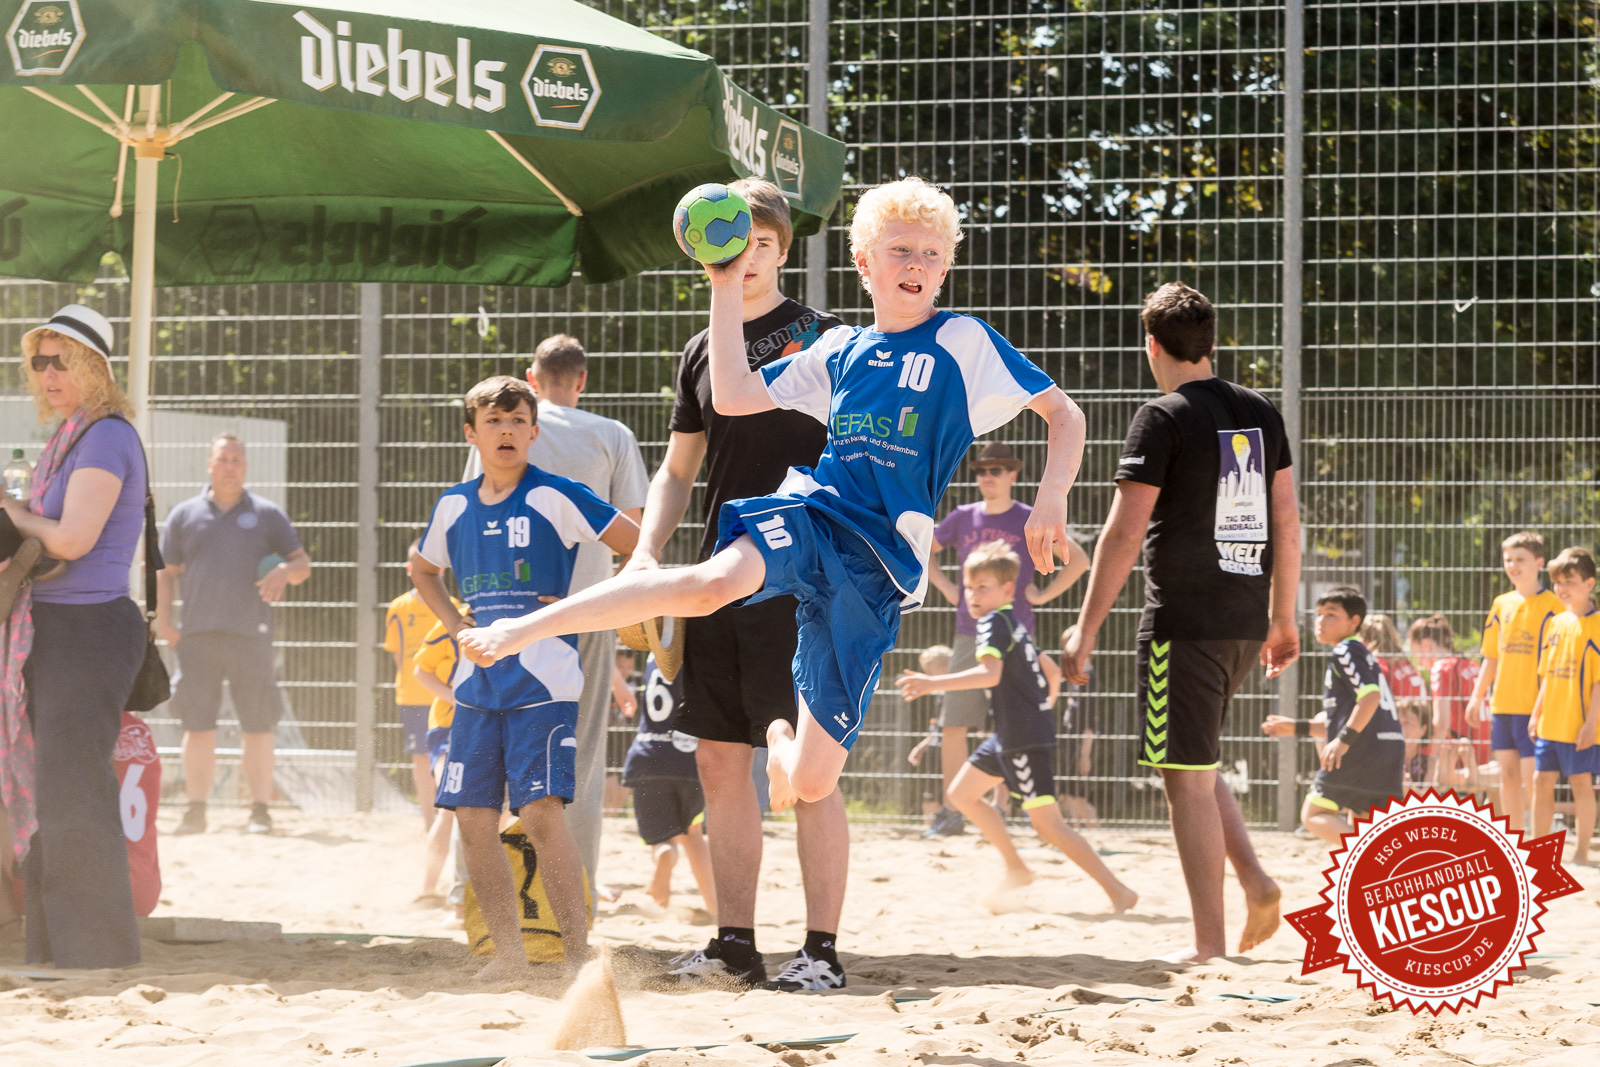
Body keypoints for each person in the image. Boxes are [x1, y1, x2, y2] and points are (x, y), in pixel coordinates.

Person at [456, 176, 1084, 987]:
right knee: (710, 578)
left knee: (813, 781)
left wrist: (1055, 502)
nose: (917, 263)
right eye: (900, 249)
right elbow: (736, 392)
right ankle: (521, 630)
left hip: (877, 566)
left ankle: (799, 826)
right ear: (863, 260)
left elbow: (1064, 415)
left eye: (932, 253)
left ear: (945, 266)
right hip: (812, 512)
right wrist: (722, 288)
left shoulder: (961, 340)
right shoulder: (842, 349)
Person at [563, 178, 847, 989]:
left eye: (761, 242)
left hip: (804, 576)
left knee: (809, 770)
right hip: (718, 575)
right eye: (731, 242)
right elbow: (679, 470)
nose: (745, 256)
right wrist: (648, 551)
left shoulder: (828, 340)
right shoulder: (700, 349)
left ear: (783, 249)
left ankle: (820, 950)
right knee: (722, 763)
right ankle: (734, 942)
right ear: (704, 248)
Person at [1061, 281, 1297, 962]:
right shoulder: (1259, 411)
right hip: (1245, 620)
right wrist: (1283, 617)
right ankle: (1254, 880)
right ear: (1211, 343)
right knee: (1197, 761)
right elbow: (1286, 517)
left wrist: (1086, 625)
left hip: (1182, 623)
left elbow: (1123, 532)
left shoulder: (1161, 415)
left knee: (1183, 777)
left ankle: (1209, 948)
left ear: (1152, 344)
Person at [411, 375, 640, 980]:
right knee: (473, 817)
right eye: (493, 421)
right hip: (476, 684)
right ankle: (508, 956)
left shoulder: (556, 494)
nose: (506, 430)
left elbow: (637, 548)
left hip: (545, 680)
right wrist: (453, 618)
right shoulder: (453, 504)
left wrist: (585, 606)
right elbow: (421, 569)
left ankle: (576, 956)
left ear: (534, 431)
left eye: (517, 421)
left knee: (540, 813)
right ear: (472, 434)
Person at [463, 333, 648, 895]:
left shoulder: (499, 426)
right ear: (582, 381)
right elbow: (635, 541)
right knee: (579, 759)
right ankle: (576, 886)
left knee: (482, 751)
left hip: (501, 615)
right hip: (580, 613)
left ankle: (465, 888)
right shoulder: (611, 434)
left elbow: (478, 514)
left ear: (533, 381)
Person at [3, 305, 148, 967]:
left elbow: (71, 538)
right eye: (40, 359)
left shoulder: (106, 437)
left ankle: (96, 952)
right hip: (55, 628)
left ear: (96, 367)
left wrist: (10, 510)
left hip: (89, 630)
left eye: (64, 359)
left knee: (74, 788)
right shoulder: (70, 437)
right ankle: (59, 947)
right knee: (51, 787)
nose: (49, 372)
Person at [897, 542, 1136, 911]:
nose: (973, 595)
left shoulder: (994, 622)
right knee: (961, 795)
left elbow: (990, 674)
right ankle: (1016, 867)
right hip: (1010, 734)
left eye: (983, 587)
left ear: (1008, 590)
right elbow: (1052, 671)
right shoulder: (1012, 621)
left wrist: (932, 684)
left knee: (1050, 826)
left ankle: (1118, 891)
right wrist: (1042, 704)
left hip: (1022, 738)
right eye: (969, 587)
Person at [921, 441, 1090, 837]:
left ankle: (1003, 809)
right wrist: (946, 588)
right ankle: (952, 812)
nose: (988, 477)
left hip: (1017, 636)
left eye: (996, 470)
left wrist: (1043, 595)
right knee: (954, 726)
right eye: (982, 470)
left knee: (1009, 724)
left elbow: (1080, 560)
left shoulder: (1030, 517)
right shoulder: (963, 517)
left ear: (1013, 474)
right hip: (969, 633)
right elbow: (923, 549)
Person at [157, 434, 312, 836]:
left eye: (237, 459)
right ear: (209, 464)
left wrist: (284, 571)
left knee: (258, 726)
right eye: (223, 459)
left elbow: (303, 565)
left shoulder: (267, 514)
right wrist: (163, 622)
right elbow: (164, 571)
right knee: (197, 726)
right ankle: (196, 810)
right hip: (197, 636)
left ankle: (260, 811)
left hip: (251, 636)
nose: (230, 465)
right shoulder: (184, 515)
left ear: (245, 465)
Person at [1262, 587, 1404, 846]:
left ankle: (1369, 853)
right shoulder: (1364, 656)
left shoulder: (1344, 651)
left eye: (1331, 614)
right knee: (1365, 821)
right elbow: (1350, 718)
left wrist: (1343, 741)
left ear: (1354, 621)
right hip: (1387, 747)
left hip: (1360, 751)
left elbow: (1370, 698)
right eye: (1318, 614)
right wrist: (1296, 727)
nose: (1321, 621)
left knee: (1313, 815)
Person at [1467, 531, 1561, 831]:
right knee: (1507, 777)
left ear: (1539, 562)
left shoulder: (1554, 605)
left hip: (1535, 707)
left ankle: (1538, 839)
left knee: (1534, 779)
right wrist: (1476, 696)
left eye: (1520, 559)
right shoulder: (1501, 603)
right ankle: (1514, 839)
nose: (1513, 565)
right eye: (1508, 559)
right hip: (1502, 706)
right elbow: (1491, 656)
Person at [622, 654, 717, 915]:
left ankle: (665, 854)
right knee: (693, 833)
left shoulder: (656, 652)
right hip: (687, 759)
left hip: (648, 755)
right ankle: (715, 907)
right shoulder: (701, 650)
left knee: (661, 838)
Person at [1528, 546, 1599, 864]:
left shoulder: (1596, 625)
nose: (1561, 588)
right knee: (1540, 781)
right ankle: (1539, 851)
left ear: (1590, 583)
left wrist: (1591, 724)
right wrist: (1535, 713)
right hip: (1549, 723)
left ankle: (1582, 852)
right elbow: (1546, 674)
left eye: (1569, 580)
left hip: (1580, 724)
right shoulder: (1555, 623)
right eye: (1558, 581)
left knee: (1580, 784)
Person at [385, 541, 455, 829]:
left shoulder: (454, 605)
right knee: (422, 760)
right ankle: (430, 823)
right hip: (413, 696)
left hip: (447, 698)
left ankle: (447, 819)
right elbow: (398, 655)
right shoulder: (398, 607)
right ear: (409, 569)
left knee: (450, 757)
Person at [1407, 614, 1484, 794]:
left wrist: (1430, 772)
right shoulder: (1472, 665)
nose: (1418, 661)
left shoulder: (1441, 668)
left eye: (1417, 654)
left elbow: (1441, 723)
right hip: (1482, 754)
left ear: (1425, 645)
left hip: (1459, 758)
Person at [412, 618, 461, 902]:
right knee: (450, 804)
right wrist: (455, 697)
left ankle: (471, 887)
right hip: (449, 725)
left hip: (499, 723)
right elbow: (421, 669)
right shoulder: (453, 618)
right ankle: (428, 889)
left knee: (505, 809)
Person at [1360, 613, 1431, 786]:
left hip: (1396, 740)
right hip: (1422, 738)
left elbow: (1373, 707)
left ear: (1365, 639)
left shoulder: (1377, 665)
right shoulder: (1408, 664)